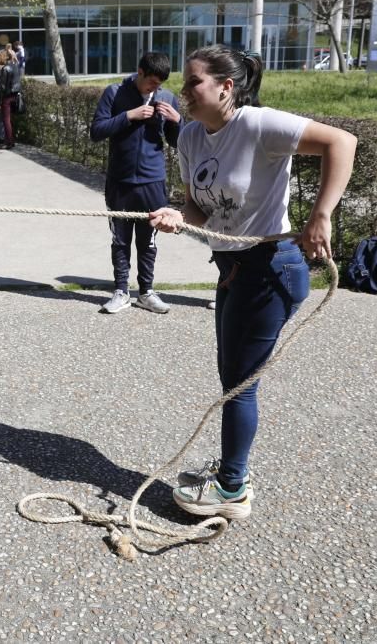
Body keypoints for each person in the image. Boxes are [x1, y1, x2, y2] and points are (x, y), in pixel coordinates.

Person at [149, 44, 356, 519]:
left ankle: (232, 490)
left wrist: (321, 216)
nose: (183, 92)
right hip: (232, 269)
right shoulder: (191, 137)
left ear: (227, 87)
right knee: (231, 380)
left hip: (272, 266)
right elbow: (199, 206)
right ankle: (231, 470)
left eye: (193, 82)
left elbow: (341, 142)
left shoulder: (257, 125)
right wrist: (178, 216)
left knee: (240, 385)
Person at [90, 52, 182, 315]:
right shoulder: (114, 93)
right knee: (120, 240)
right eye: (152, 82)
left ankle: (146, 292)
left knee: (148, 241)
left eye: (160, 84)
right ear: (139, 72)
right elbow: (96, 131)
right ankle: (121, 291)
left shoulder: (166, 98)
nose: (156, 89)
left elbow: (178, 142)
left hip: (153, 182)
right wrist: (129, 115)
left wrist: (178, 121)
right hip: (119, 181)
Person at [0, 49, 21, 150]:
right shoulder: (15, 66)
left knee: (6, 120)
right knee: (10, 120)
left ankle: (8, 142)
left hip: (7, 97)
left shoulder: (4, 69)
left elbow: (1, 87)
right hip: (15, 95)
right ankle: (11, 141)